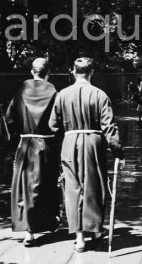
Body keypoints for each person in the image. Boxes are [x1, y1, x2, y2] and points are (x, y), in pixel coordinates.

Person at [49, 57, 124, 252]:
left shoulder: (62, 95)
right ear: (92, 73)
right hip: (93, 143)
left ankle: (79, 238)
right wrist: (118, 151)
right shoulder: (100, 95)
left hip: (70, 143)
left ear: (73, 72)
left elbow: (52, 125)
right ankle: (96, 230)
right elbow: (110, 127)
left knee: (73, 188)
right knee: (95, 185)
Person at [5, 57, 61, 247]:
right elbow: (59, 122)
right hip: (47, 144)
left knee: (25, 188)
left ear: (32, 71)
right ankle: (45, 223)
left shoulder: (21, 90)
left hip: (26, 143)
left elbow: (9, 118)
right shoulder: (54, 92)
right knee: (45, 185)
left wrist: (18, 135)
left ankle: (28, 232)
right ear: (49, 73)